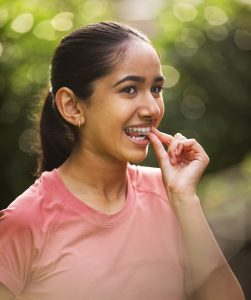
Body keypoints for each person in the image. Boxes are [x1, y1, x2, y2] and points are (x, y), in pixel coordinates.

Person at [0, 21, 244, 300]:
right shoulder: (24, 222)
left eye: (156, 89)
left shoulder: (171, 195)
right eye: (129, 89)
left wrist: (185, 199)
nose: (152, 108)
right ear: (72, 106)